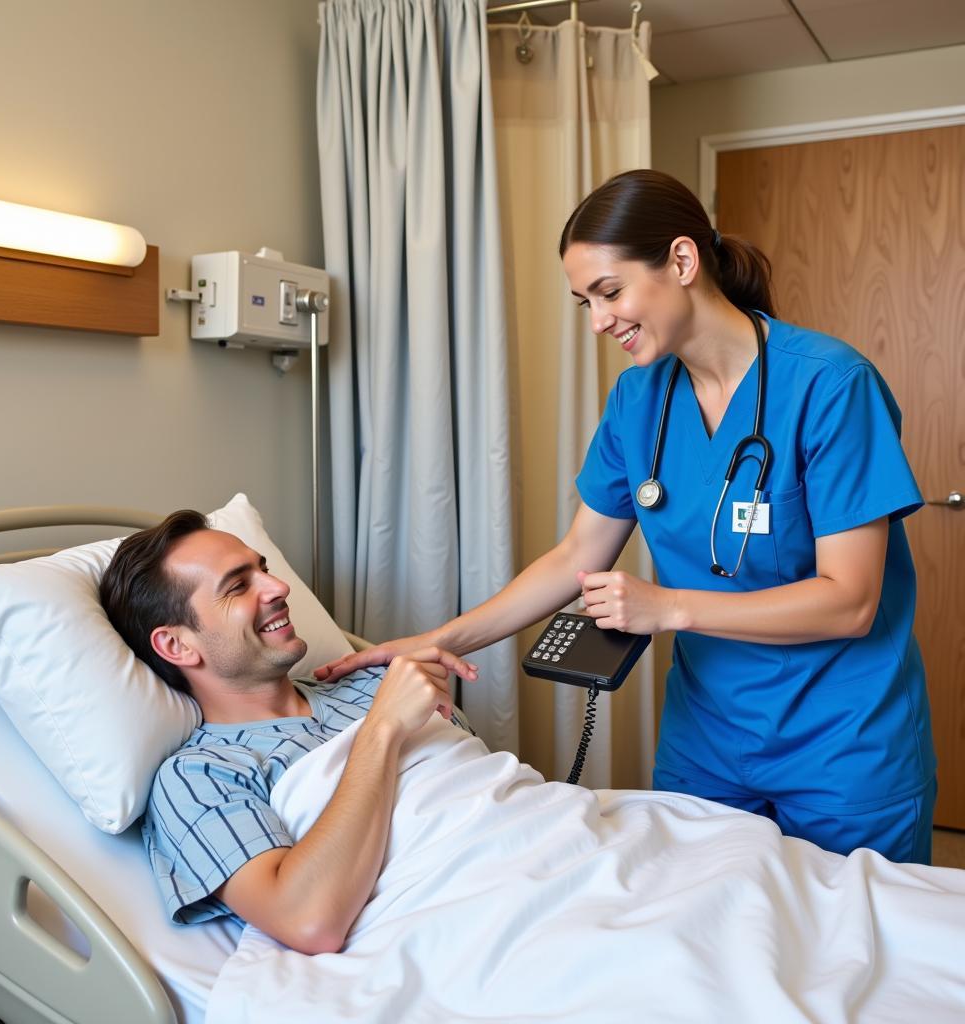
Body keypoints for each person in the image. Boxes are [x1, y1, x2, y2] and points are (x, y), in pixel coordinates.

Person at [316, 168, 937, 865]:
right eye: (584, 301)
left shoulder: (830, 385)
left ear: (681, 260)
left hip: (844, 744)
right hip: (709, 743)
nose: (598, 320)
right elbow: (577, 554)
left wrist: (668, 606)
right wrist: (440, 638)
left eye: (609, 292)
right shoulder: (640, 401)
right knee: (709, 934)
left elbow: (850, 602)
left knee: (855, 952)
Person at [99, 510, 478, 954]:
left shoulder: (375, 682)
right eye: (238, 586)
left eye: (263, 569)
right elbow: (307, 921)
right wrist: (383, 728)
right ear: (177, 645)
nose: (278, 588)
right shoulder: (199, 775)